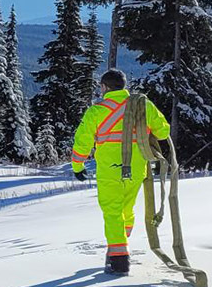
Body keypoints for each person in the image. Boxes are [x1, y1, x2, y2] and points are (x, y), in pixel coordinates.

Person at [70, 68, 172, 275]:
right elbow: (163, 131)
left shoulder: (96, 111)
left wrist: (77, 165)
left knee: (112, 211)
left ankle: (118, 259)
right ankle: (120, 245)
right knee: (126, 210)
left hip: (109, 170)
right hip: (136, 168)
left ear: (105, 87)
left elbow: (83, 141)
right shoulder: (142, 105)